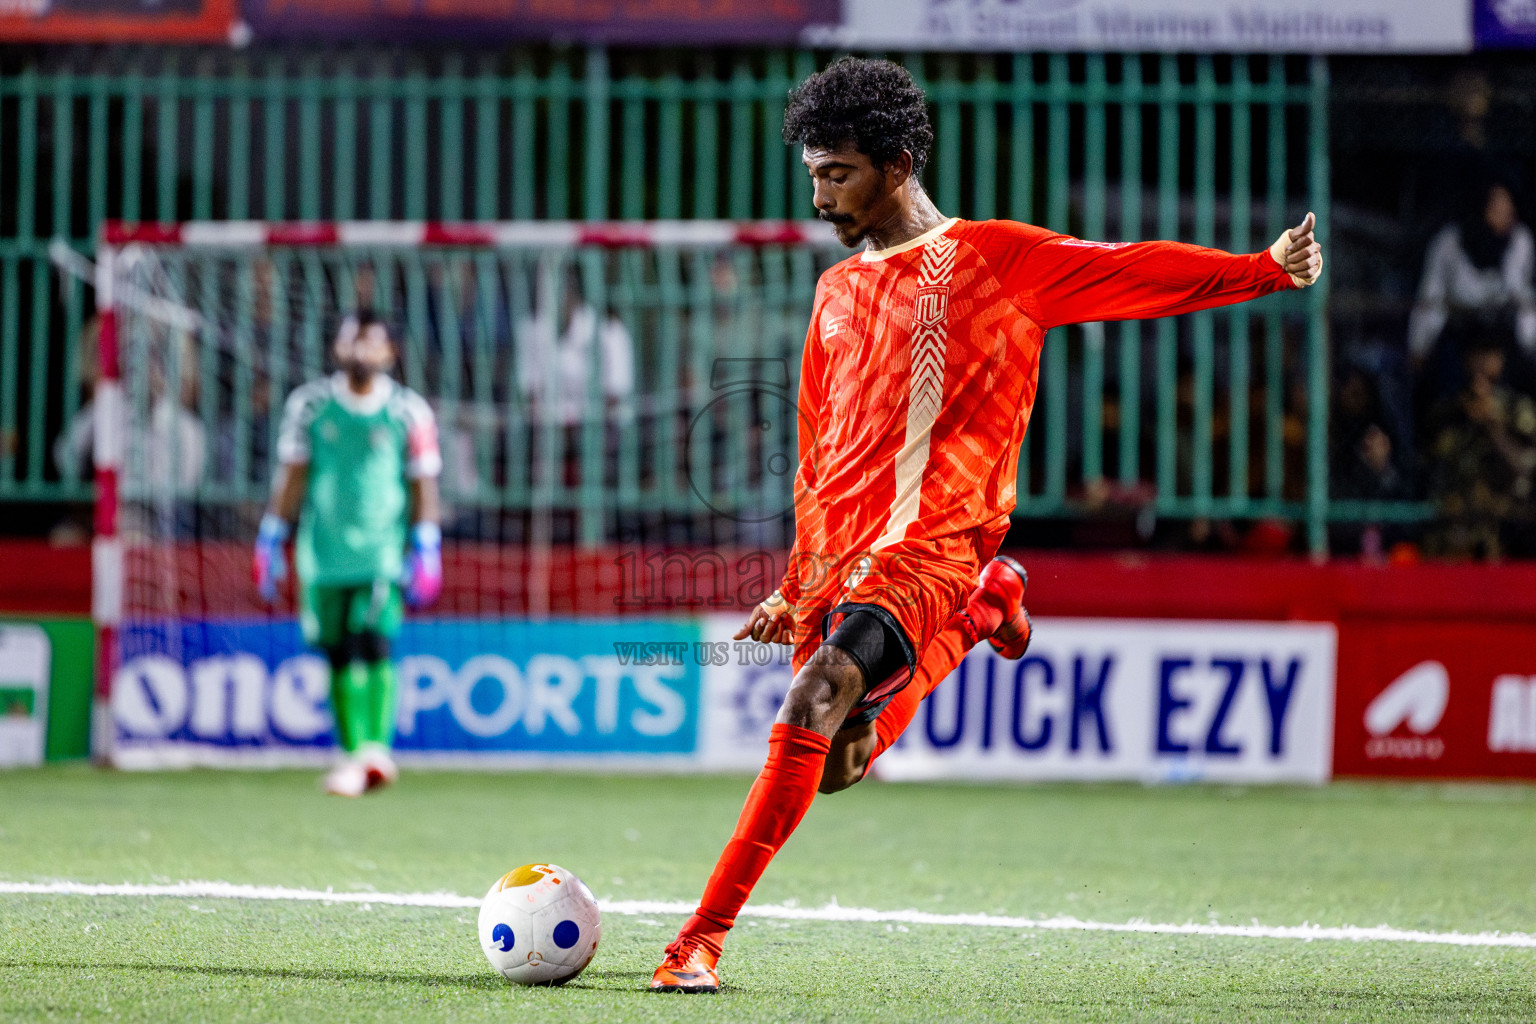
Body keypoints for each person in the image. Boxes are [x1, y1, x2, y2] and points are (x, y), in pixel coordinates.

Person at [650, 57, 1323, 993]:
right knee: (838, 762)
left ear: (897, 165)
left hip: (933, 546)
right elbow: (817, 455)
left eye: (837, 173)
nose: (820, 196)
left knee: (812, 697)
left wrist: (1260, 270)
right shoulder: (834, 292)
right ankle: (981, 615)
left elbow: (1126, 270)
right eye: (812, 175)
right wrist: (798, 584)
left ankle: (698, 942)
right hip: (843, 559)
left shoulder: (993, 260)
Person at [252, 310, 443, 797]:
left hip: (381, 550)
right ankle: (355, 755)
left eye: (371, 342)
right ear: (336, 348)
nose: (360, 351)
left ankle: (375, 750)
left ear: (391, 353)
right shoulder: (309, 405)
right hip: (323, 552)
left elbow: (423, 483)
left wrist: (426, 541)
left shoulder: (409, 411)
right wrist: (272, 533)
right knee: (337, 652)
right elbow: (293, 475)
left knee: (372, 641)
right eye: (351, 341)